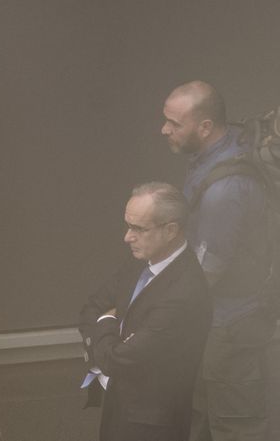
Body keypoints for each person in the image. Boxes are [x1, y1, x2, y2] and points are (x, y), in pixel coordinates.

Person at [162, 81, 276, 441]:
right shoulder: (224, 148)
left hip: (233, 327)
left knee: (238, 425)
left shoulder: (224, 192)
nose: (164, 129)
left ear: (206, 127)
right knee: (205, 415)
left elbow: (205, 274)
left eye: (174, 123)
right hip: (219, 321)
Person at [79, 182, 211, 441]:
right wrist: (111, 339)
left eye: (138, 229)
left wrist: (106, 320)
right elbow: (90, 307)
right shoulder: (140, 260)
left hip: (151, 424)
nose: (127, 237)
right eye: (128, 226)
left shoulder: (185, 293)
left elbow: (118, 359)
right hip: (120, 402)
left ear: (171, 230)